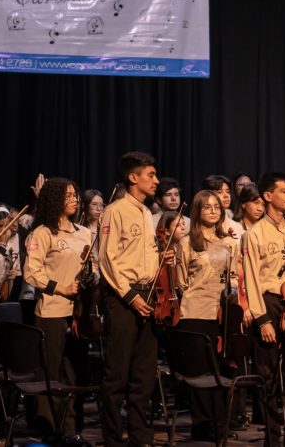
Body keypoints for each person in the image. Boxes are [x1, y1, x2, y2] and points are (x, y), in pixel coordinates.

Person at [98, 152, 175, 447]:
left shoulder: (146, 212)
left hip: (149, 294)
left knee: (144, 373)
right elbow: (107, 259)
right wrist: (130, 296)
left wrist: (161, 258)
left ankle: (140, 437)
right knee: (117, 374)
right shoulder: (115, 211)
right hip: (123, 296)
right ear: (133, 178)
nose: (156, 181)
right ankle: (114, 439)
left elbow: (140, 256)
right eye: (151, 175)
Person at [22, 177, 93, 444]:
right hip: (51, 311)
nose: (75, 199)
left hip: (79, 313)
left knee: (75, 374)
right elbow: (31, 272)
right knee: (51, 373)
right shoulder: (43, 233)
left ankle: (71, 430)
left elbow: (90, 270)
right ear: (54, 200)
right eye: (69, 196)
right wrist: (60, 288)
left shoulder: (84, 233)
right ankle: (49, 429)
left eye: (76, 195)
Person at [243, 172, 285, 446]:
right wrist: (262, 320)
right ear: (268, 197)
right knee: (268, 377)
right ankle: (273, 436)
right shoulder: (253, 233)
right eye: (283, 191)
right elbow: (250, 280)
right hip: (269, 304)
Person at [176, 188, 238, 442]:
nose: (213, 211)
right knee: (201, 373)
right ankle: (202, 424)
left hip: (222, 313)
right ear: (198, 211)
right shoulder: (186, 242)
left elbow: (234, 276)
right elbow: (181, 282)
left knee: (222, 371)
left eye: (216, 207)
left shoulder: (230, 242)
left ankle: (220, 422)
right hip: (195, 313)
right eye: (206, 207)